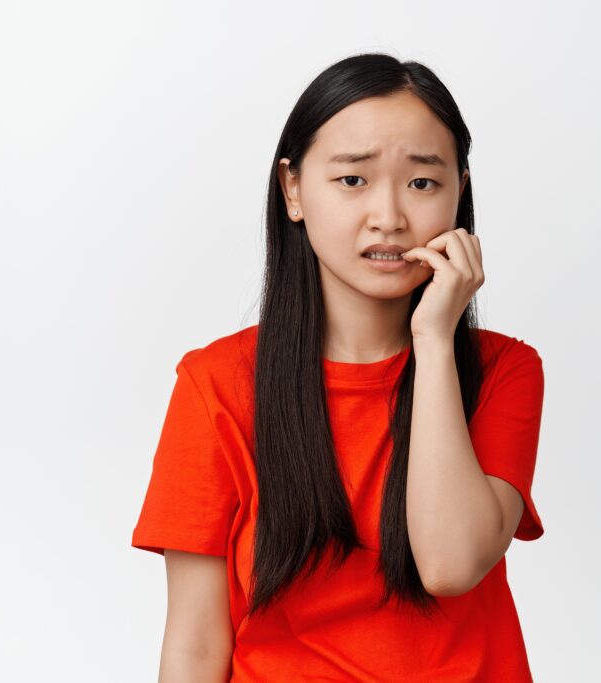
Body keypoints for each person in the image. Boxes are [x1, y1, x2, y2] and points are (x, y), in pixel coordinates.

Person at [131, 52, 546, 682]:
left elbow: (450, 564)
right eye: (353, 180)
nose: (389, 216)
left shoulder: (504, 371)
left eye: (423, 183)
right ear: (293, 190)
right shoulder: (215, 384)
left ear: (460, 192)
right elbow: (194, 644)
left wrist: (433, 341)